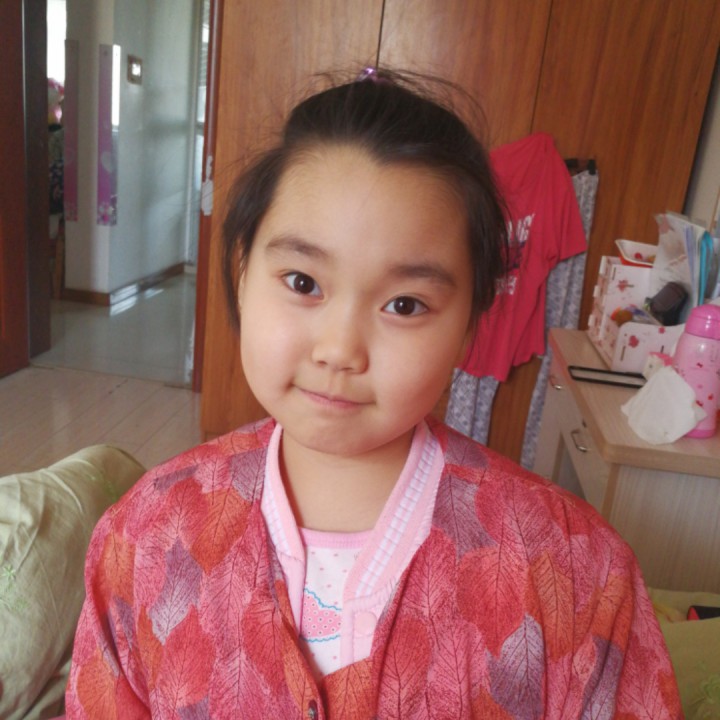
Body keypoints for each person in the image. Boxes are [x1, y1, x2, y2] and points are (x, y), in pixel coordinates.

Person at [65, 69, 681, 719]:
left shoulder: (580, 570)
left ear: (470, 324)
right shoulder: (144, 533)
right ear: (242, 272)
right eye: (303, 282)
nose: (340, 349)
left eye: (405, 304)